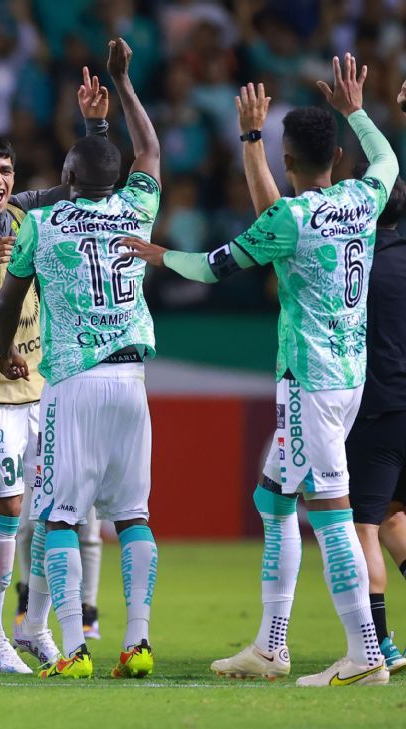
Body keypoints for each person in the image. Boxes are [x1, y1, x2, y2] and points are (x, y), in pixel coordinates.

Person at [127, 54, 399, 686]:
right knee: (272, 496)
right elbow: (386, 159)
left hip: (311, 383)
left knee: (330, 514)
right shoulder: (364, 196)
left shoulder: (290, 220)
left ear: (288, 158)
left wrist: (157, 253)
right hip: (349, 375)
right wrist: (357, 109)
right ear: (333, 153)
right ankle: (271, 646)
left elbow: (211, 268)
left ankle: (366, 655)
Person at [0, 38, 161, 681]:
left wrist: (9, 345)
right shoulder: (137, 207)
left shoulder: (48, 222)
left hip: (73, 379)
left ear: (66, 179)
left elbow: (11, 297)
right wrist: (122, 85)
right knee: (133, 515)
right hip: (132, 378)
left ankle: (73, 650)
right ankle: (138, 644)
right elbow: (147, 150)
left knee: (61, 515)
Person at [0, 67, 114, 671]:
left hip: (40, 386)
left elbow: (84, 187)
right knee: (8, 513)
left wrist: (95, 124)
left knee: (52, 511)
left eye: (5, 172)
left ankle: (34, 626)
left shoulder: (22, 215)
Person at [345, 156, 406, 675]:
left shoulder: (354, 266)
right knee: (393, 518)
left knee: (361, 524)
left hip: (379, 409)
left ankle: (379, 644)